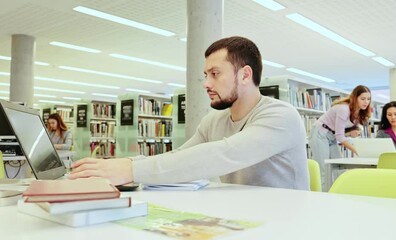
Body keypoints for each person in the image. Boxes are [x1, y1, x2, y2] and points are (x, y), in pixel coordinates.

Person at [70, 36, 309, 190]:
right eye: (205, 75)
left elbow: (224, 154)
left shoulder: (281, 116)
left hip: (286, 220)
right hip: (243, 216)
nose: (205, 83)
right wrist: (124, 163)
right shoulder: (213, 120)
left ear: (245, 75)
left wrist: (131, 170)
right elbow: (181, 157)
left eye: (215, 74)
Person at [308, 85, 372, 188]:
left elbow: (339, 131)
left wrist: (350, 133)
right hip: (320, 133)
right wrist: (357, 150)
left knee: (339, 167)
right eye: (363, 99)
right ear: (355, 98)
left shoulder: (358, 112)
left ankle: (339, 193)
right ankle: (323, 198)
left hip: (331, 135)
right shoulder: (344, 109)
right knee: (323, 169)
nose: (366, 102)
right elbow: (339, 136)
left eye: (368, 99)